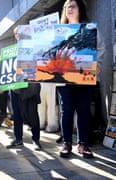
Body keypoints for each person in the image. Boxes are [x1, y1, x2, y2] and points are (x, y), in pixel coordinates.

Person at [57, 0, 104, 158]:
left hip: (85, 77)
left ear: (80, 9)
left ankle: (83, 144)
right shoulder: (58, 31)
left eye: (73, 6)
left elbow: (100, 48)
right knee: (67, 110)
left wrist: (98, 63)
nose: (69, 9)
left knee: (84, 110)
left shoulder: (90, 29)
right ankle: (67, 143)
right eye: (67, 7)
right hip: (64, 79)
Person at [6, 27, 42, 151]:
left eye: (22, 33)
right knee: (16, 115)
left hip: (30, 87)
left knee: (32, 113)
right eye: (17, 33)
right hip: (15, 87)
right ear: (15, 36)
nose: (19, 35)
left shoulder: (35, 48)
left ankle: (36, 140)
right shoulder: (10, 51)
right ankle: (18, 139)